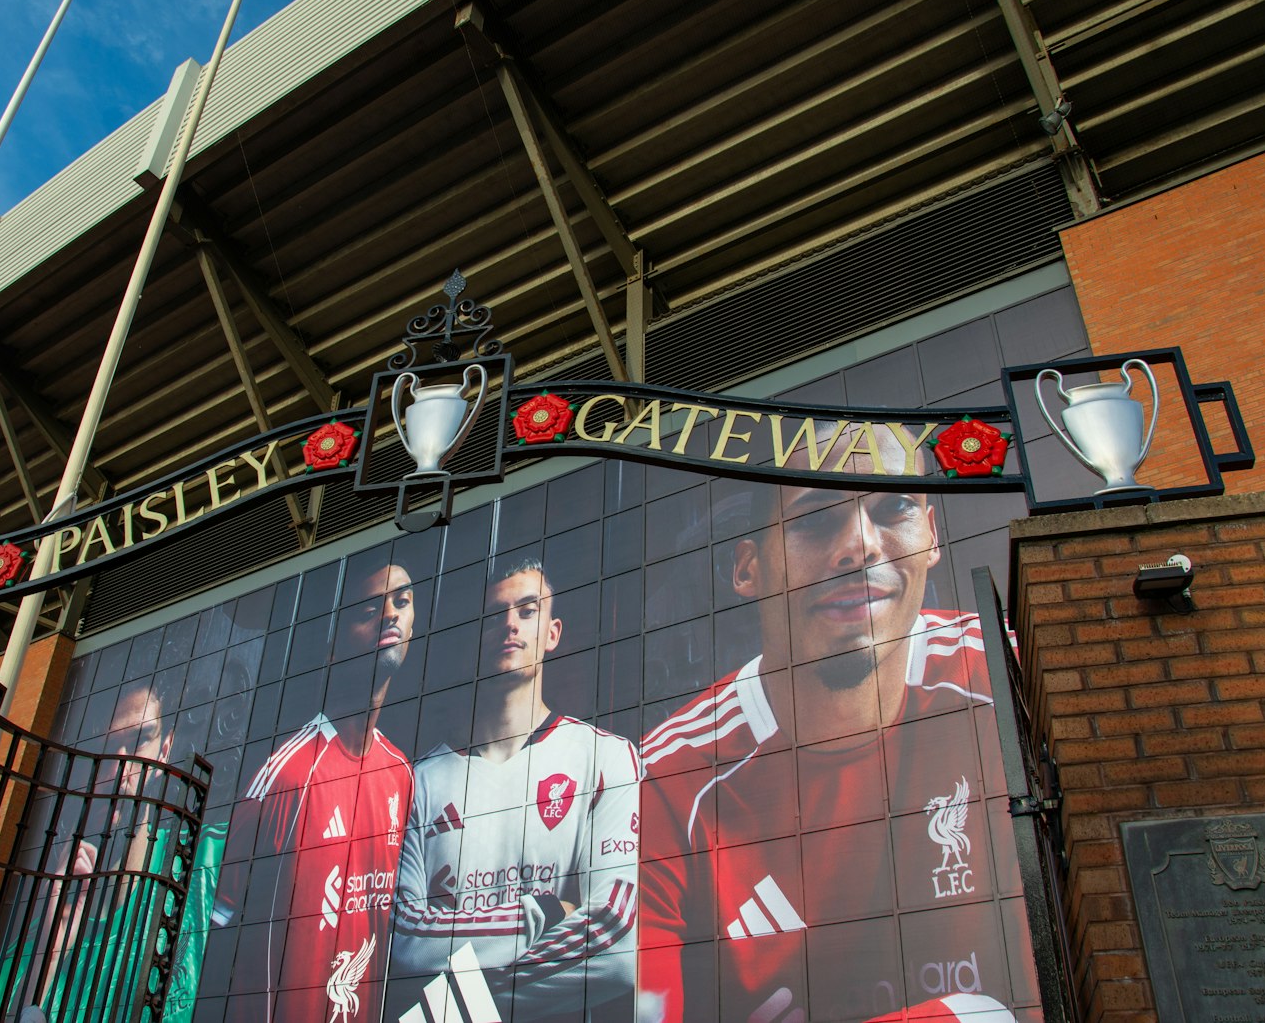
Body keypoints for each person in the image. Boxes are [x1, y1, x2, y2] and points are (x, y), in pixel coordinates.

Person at [638, 426, 1022, 1023]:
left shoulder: (1010, 674)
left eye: (892, 508)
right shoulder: (666, 781)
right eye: (815, 518)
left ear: (931, 538)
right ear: (749, 570)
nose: (860, 546)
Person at [391, 559, 640, 1021]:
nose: (510, 624)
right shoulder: (418, 781)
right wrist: (545, 911)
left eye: (527, 610)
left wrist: (449, 1008)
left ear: (552, 633)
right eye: (496, 614)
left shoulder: (605, 758)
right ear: (478, 637)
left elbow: (616, 944)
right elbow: (403, 943)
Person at [213, 557, 419, 1023]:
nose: (391, 614)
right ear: (332, 646)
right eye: (370, 609)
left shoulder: (401, 773)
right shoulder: (286, 775)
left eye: (402, 601)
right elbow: (211, 927)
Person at [0, 683, 222, 1023]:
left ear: (164, 751)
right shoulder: (18, 965)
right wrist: (54, 940)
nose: (120, 760)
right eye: (107, 746)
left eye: (139, 739)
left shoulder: (207, 862)